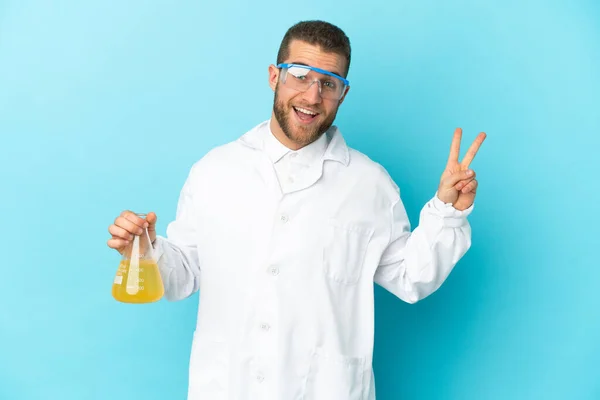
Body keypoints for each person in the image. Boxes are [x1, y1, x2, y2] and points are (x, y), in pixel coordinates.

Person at [107, 20, 486, 400]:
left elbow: (411, 278)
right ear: (274, 77)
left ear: (343, 94)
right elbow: (184, 275)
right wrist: (146, 249)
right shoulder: (214, 172)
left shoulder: (370, 185)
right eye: (300, 75)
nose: (312, 95)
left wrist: (447, 213)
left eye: (329, 83)